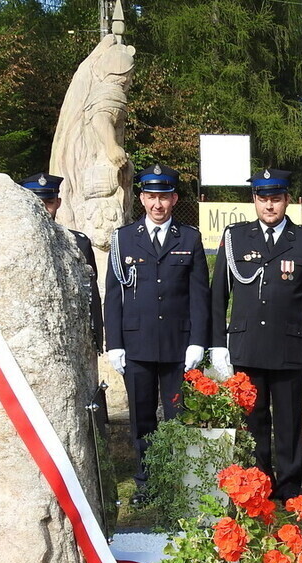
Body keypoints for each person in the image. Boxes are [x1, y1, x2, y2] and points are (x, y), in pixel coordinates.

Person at [209, 169, 302, 500]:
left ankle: (290, 487)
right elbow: (218, 295)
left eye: (276, 199)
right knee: (253, 419)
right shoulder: (236, 238)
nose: (269, 206)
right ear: (255, 201)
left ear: (287, 201)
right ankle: (258, 484)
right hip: (246, 345)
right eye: (263, 199)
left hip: (289, 346)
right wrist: (218, 344)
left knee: (290, 422)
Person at [104, 164, 211, 502]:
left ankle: (177, 482)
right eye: (151, 197)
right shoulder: (123, 239)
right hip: (136, 345)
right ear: (142, 198)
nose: (157, 204)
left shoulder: (190, 238)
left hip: (178, 345)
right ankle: (146, 482)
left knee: (179, 417)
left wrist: (198, 341)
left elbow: (199, 296)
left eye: (164, 197)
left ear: (175, 198)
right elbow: (113, 296)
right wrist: (115, 344)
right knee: (142, 418)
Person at [19, 172, 104, 352]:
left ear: (58, 203)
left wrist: (97, 335)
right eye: (37, 204)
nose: (44, 209)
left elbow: (91, 291)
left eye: (49, 203)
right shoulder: (15, 243)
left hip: (69, 335)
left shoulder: (78, 242)